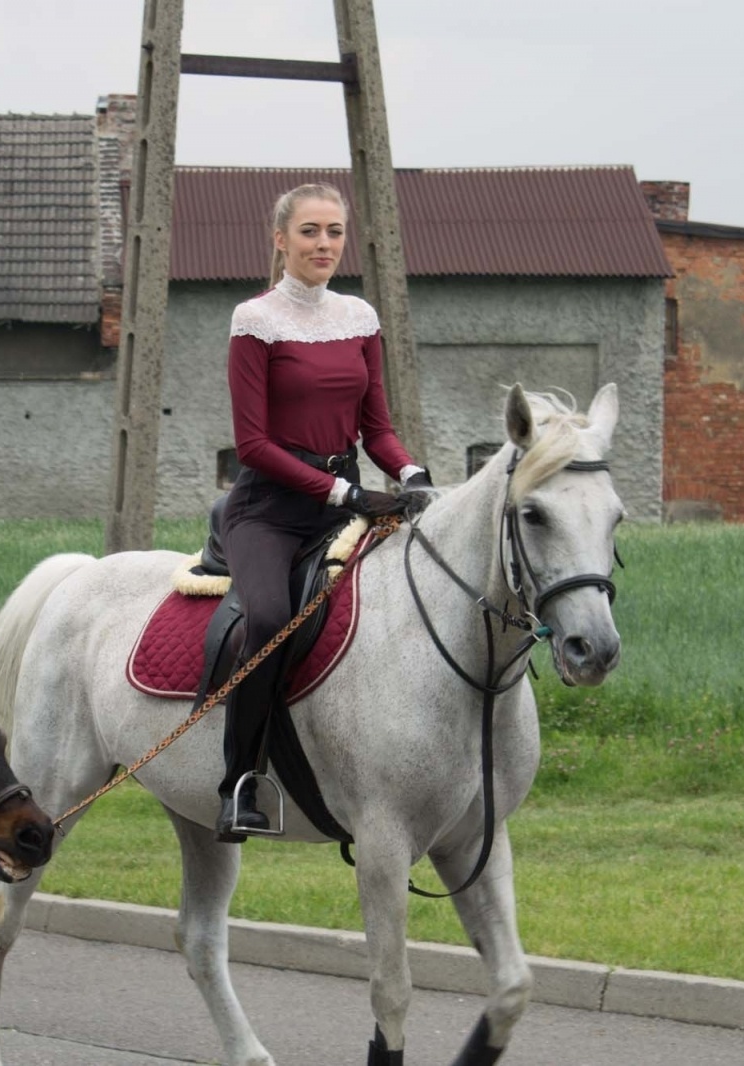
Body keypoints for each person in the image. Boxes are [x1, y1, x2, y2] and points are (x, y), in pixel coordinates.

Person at [217, 183, 431, 841]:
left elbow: (378, 430)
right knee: (273, 618)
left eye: (334, 232)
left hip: (347, 503)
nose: (324, 245)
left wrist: (413, 474)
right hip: (269, 511)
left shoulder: (361, 318)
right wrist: (341, 493)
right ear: (280, 239)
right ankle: (238, 784)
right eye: (310, 232)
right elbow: (251, 442)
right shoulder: (254, 319)